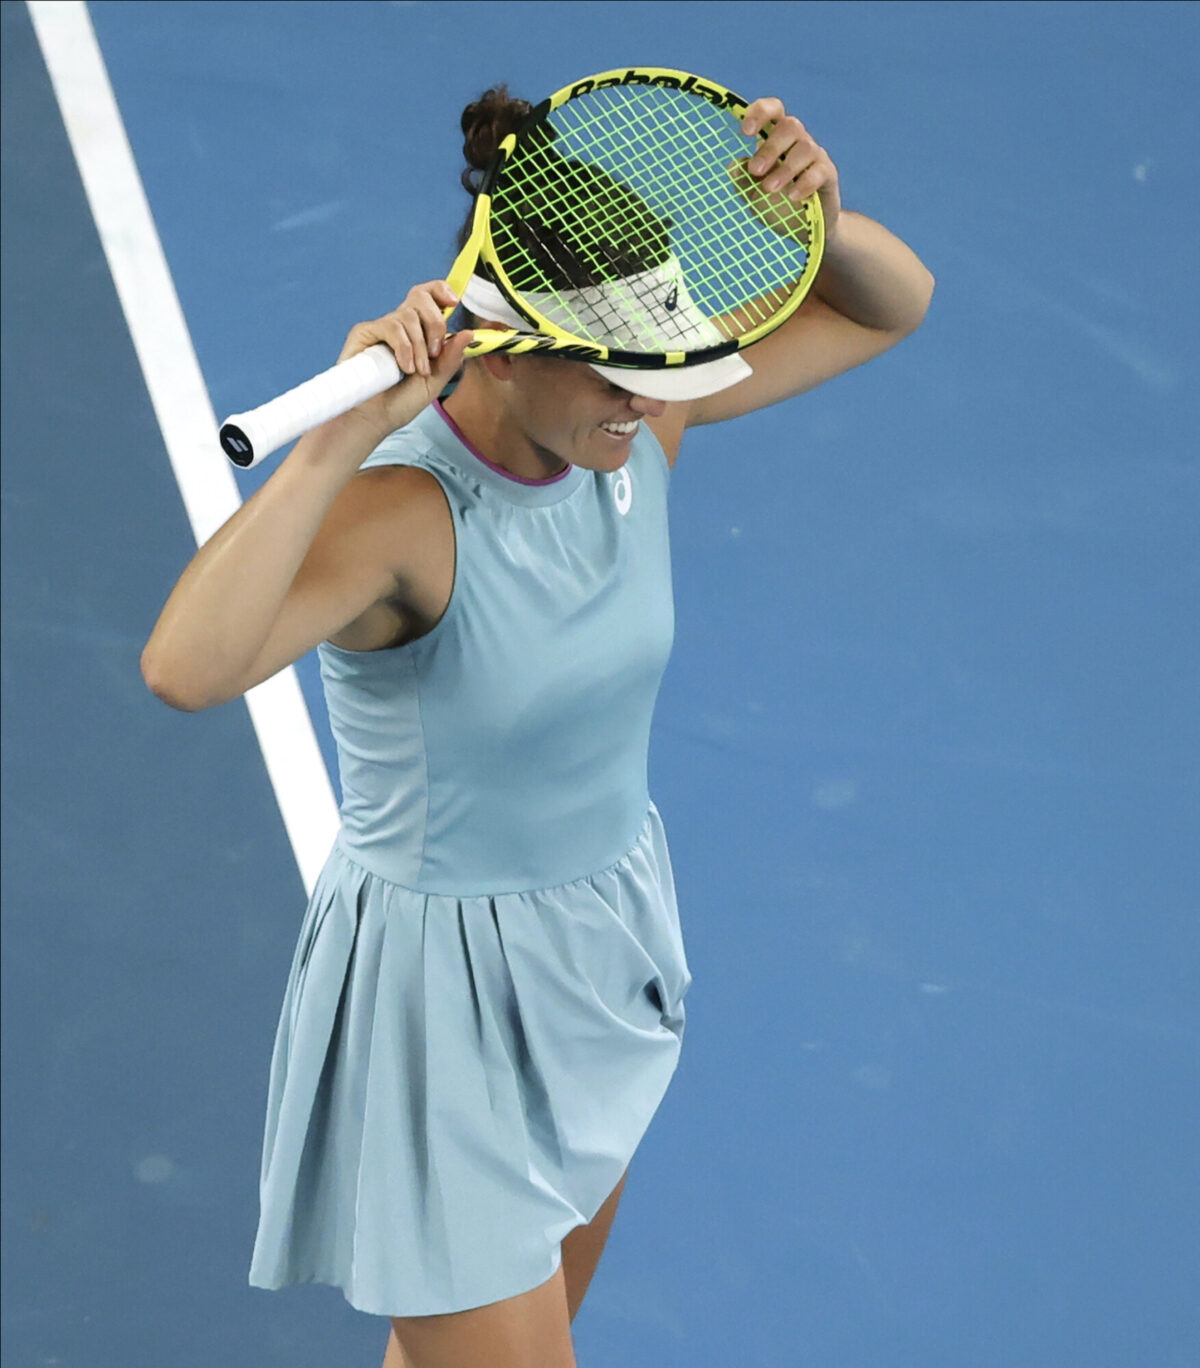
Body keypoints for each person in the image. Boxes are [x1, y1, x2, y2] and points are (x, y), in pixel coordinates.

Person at [141, 83, 934, 1368]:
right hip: (442, 1019)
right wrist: (331, 451)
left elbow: (889, 305)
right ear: (510, 340)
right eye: (617, 377)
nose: (647, 401)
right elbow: (186, 668)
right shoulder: (404, 521)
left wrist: (818, 218)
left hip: (596, 955)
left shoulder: (636, 416)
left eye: (657, 370)